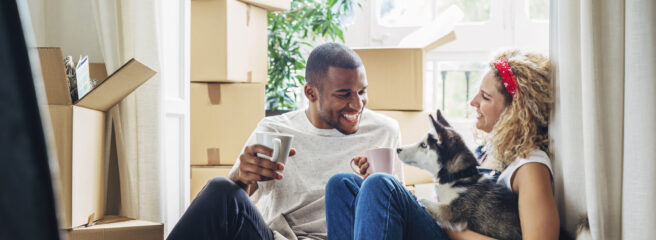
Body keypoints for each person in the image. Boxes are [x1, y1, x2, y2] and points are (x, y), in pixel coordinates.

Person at [167, 42, 405, 240]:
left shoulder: (384, 131)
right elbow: (238, 199)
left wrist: (374, 186)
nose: (357, 104)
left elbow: (396, 214)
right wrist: (242, 178)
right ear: (311, 93)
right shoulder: (276, 130)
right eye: (344, 94)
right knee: (220, 188)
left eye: (362, 91)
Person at [325, 49, 560, 240]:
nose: (473, 102)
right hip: (441, 228)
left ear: (515, 111)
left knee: (381, 185)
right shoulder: (487, 151)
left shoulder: (529, 166)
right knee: (342, 184)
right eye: (478, 93)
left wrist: (449, 225)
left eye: (485, 97)